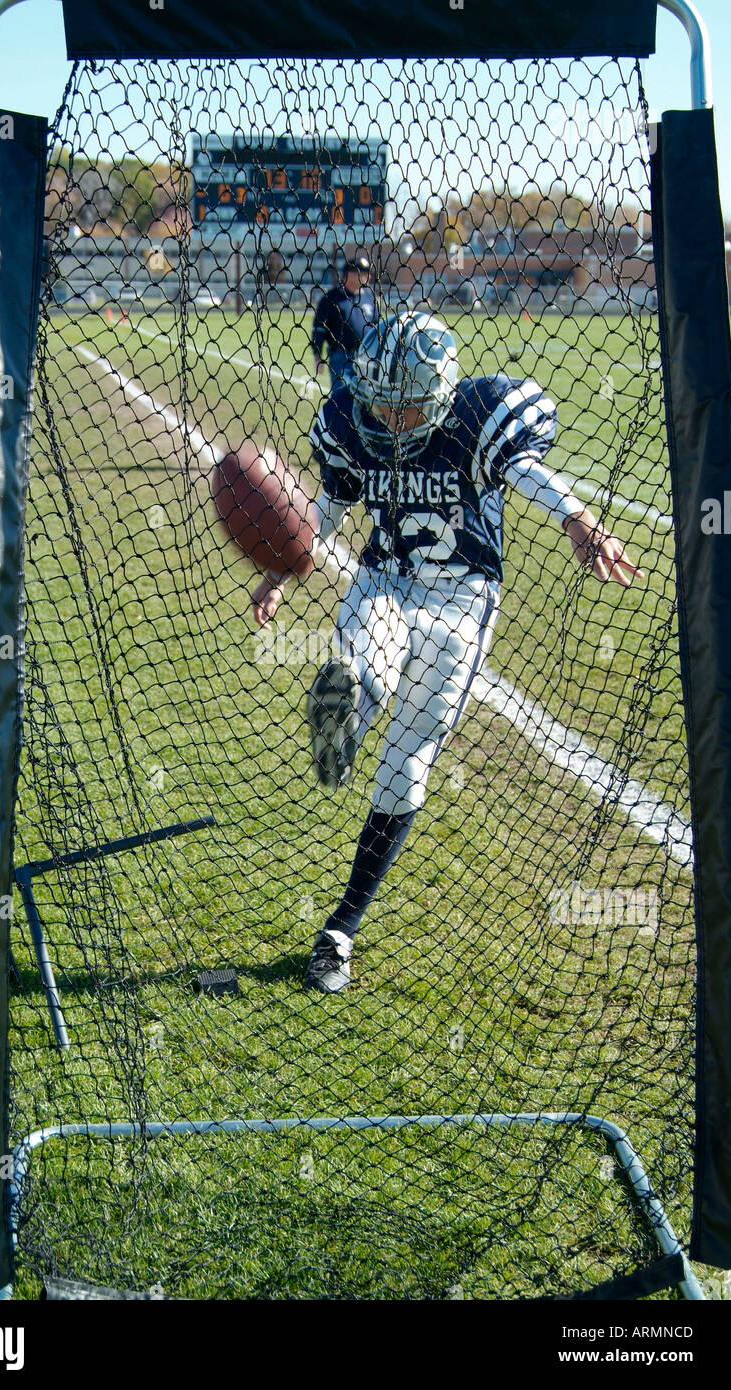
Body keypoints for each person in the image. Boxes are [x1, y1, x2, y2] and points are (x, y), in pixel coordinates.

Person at [251, 311, 643, 994]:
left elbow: (523, 470)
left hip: (462, 601)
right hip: (387, 579)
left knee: (405, 771)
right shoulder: (352, 420)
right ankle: (342, 719)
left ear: (436, 398)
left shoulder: (475, 417)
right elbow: (332, 507)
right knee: (363, 658)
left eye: (405, 408)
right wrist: (283, 568)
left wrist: (577, 516)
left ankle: (341, 927)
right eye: (381, 401)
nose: (387, 418)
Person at [310, 252, 376, 394]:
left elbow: (378, 328)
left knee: (367, 398)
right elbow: (319, 329)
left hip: (366, 358)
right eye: (364, 273)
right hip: (341, 358)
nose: (368, 277)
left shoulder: (370, 298)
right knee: (342, 398)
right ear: (350, 274)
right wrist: (317, 356)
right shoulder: (331, 298)